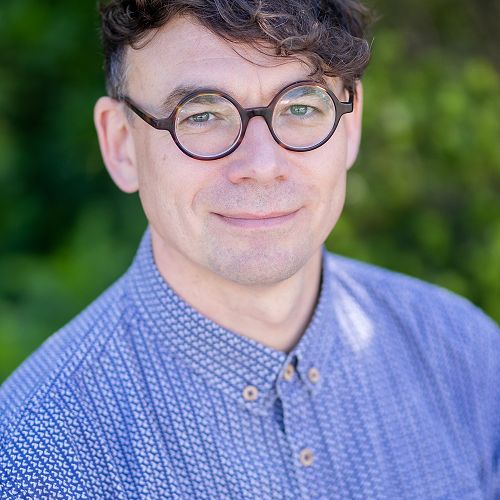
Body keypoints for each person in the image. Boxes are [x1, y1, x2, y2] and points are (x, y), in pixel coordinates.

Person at [1, 0, 499, 497]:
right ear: (120, 144)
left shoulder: (466, 357)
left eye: (301, 106)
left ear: (350, 125)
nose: (262, 165)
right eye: (201, 114)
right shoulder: (34, 456)